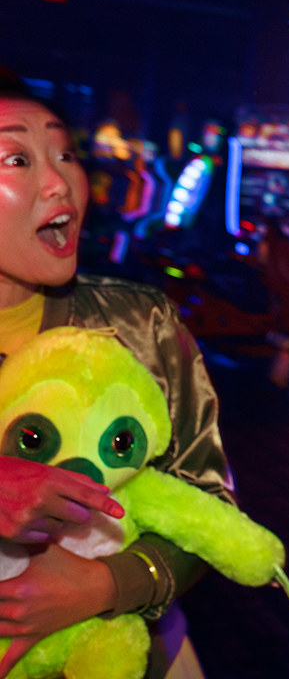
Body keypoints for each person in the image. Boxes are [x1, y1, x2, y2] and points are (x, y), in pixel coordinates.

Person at [0, 72, 234, 677]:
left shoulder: (141, 324)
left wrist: (107, 584)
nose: (60, 183)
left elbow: (207, 498)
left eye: (65, 154)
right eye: (18, 158)